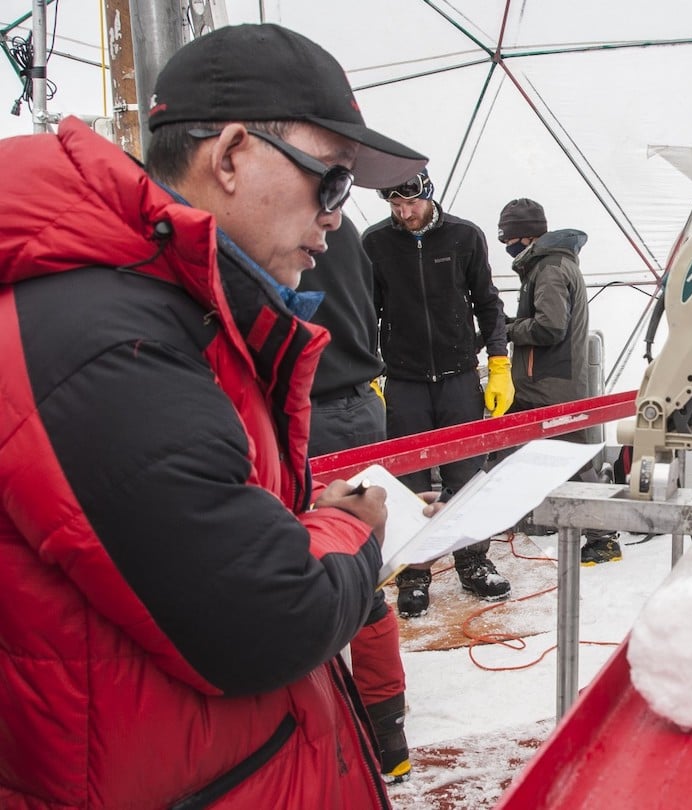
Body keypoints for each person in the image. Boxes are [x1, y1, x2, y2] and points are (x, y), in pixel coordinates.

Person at [0, 23, 427, 808]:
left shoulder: (168, 306)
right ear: (229, 155)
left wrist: (291, 519)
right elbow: (271, 613)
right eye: (330, 180)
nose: (336, 218)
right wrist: (359, 529)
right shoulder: (104, 338)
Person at [363, 169, 514, 613]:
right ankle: (415, 571)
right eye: (395, 207)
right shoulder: (375, 244)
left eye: (409, 204)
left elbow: (488, 302)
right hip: (404, 380)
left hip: (458, 377)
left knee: (464, 475)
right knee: (410, 481)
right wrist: (370, 372)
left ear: (427, 195)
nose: (403, 213)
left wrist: (500, 363)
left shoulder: (464, 237)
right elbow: (366, 312)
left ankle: (473, 562)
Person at [299, 213, 411, 783]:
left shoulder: (278, 224)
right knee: (364, 576)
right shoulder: (343, 230)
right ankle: (388, 731)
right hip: (363, 403)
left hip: (314, 410)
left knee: (328, 571)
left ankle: (362, 737)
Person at [496, 198, 621, 565]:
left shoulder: (549, 267)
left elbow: (550, 327)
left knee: (574, 462)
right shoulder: (550, 263)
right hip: (545, 382)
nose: (506, 246)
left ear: (524, 236)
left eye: (508, 239)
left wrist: (508, 329)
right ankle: (508, 520)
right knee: (509, 447)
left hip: (551, 384)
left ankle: (604, 537)